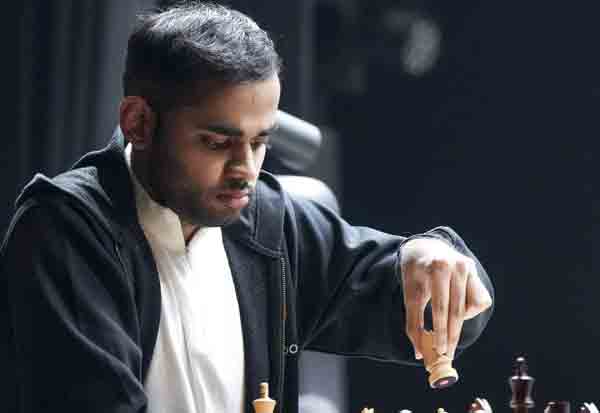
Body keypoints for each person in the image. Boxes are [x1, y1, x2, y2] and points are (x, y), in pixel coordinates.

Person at [1, 2, 493, 413]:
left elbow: (446, 317)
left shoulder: (267, 221)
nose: (245, 171)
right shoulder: (64, 231)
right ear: (139, 122)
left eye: (260, 142)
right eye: (218, 143)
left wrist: (431, 257)